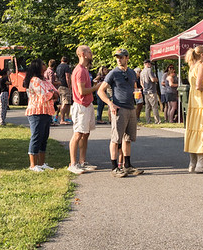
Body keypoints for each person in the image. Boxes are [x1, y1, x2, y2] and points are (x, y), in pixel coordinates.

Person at [97, 48, 143, 177]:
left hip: (130, 108)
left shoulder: (132, 73)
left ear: (127, 58)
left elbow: (134, 88)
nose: (119, 59)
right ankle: (114, 167)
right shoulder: (113, 73)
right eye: (117, 57)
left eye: (121, 57)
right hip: (119, 109)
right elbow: (101, 90)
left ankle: (127, 166)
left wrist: (137, 94)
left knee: (128, 139)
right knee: (116, 139)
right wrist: (110, 103)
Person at [68, 45, 102, 174]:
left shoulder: (85, 70)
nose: (91, 53)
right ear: (82, 54)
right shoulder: (80, 70)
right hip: (81, 105)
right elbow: (81, 91)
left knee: (85, 133)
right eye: (89, 51)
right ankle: (73, 163)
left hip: (87, 104)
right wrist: (96, 87)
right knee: (78, 134)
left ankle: (82, 162)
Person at [25, 58, 58, 172]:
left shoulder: (45, 80)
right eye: (43, 64)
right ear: (38, 67)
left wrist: (52, 94)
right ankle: (33, 165)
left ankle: (42, 163)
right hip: (36, 112)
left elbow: (56, 92)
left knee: (44, 137)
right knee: (36, 136)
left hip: (47, 111)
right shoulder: (34, 80)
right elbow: (43, 96)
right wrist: (52, 94)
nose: (45, 65)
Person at [140, 59, 161, 124]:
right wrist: (156, 79)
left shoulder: (142, 72)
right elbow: (152, 79)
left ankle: (148, 121)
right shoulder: (149, 70)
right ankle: (157, 121)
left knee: (147, 107)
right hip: (151, 91)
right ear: (147, 64)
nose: (150, 65)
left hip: (145, 91)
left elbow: (141, 82)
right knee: (154, 107)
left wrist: (144, 88)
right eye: (150, 64)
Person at [55, 55, 73, 125]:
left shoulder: (58, 67)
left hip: (59, 86)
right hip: (65, 86)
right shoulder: (66, 67)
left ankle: (66, 117)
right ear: (67, 61)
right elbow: (67, 76)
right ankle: (62, 119)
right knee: (65, 103)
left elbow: (56, 76)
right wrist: (69, 86)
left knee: (65, 102)